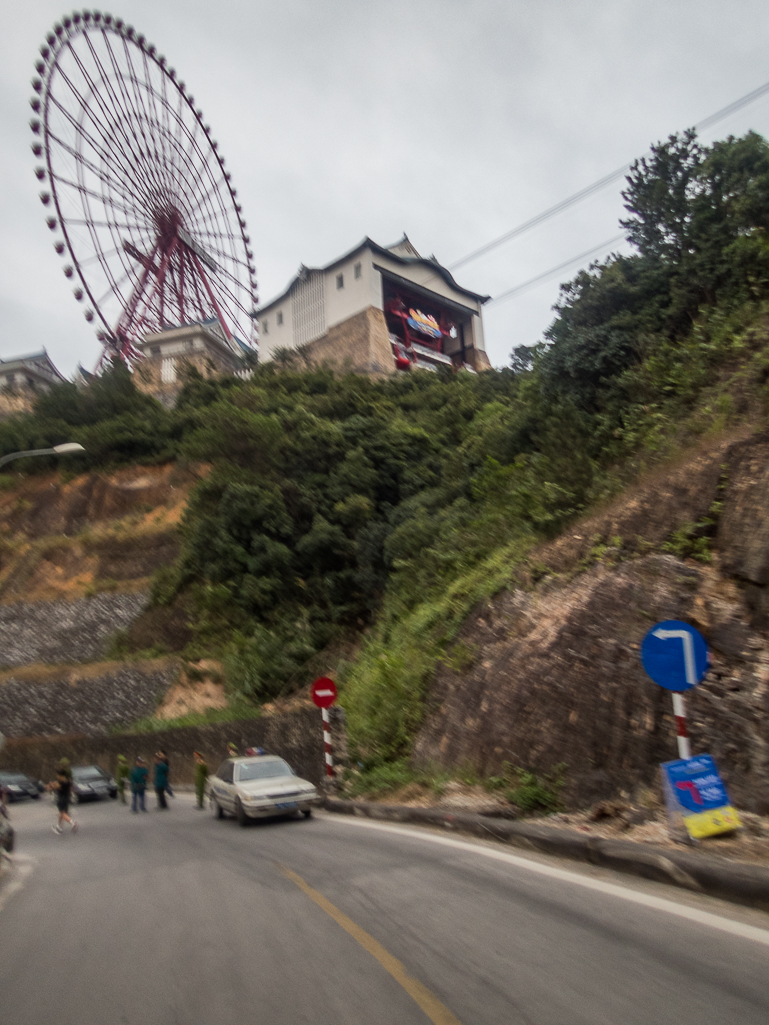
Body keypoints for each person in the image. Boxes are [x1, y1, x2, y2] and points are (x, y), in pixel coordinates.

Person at [48, 761, 78, 834]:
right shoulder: (68, 781)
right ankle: (58, 827)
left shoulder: (60, 783)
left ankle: (72, 823)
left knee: (63, 813)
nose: (57, 776)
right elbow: (70, 788)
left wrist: (51, 785)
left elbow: (54, 787)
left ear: (60, 775)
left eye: (57, 775)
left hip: (61, 799)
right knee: (62, 813)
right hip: (67, 798)